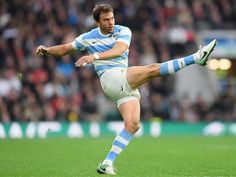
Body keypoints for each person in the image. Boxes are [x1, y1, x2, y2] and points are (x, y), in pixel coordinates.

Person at [36, 3, 217, 175]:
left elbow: (119, 50)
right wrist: (47, 50)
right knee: (152, 69)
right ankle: (197, 57)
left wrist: (94, 56)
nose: (111, 22)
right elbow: (66, 49)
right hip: (111, 78)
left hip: (122, 82)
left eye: (112, 18)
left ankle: (107, 163)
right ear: (97, 22)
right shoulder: (88, 37)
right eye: (106, 20)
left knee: (133, 124)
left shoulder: (123, 31)